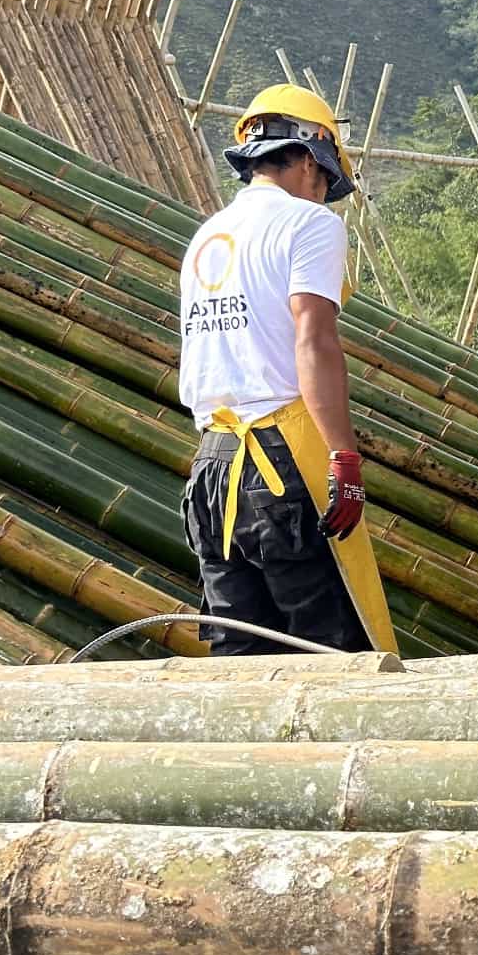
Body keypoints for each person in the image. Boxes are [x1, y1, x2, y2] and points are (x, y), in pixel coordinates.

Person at [177, 83, 394, 657]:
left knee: (240, 654)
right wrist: (344, 456)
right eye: (323, 180)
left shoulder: (207, 237)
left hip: (212, 470)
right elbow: (314, 339)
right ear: (304, 158)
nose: (322, 195)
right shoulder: (308, 225)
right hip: (281, 464)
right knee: (329, 651)